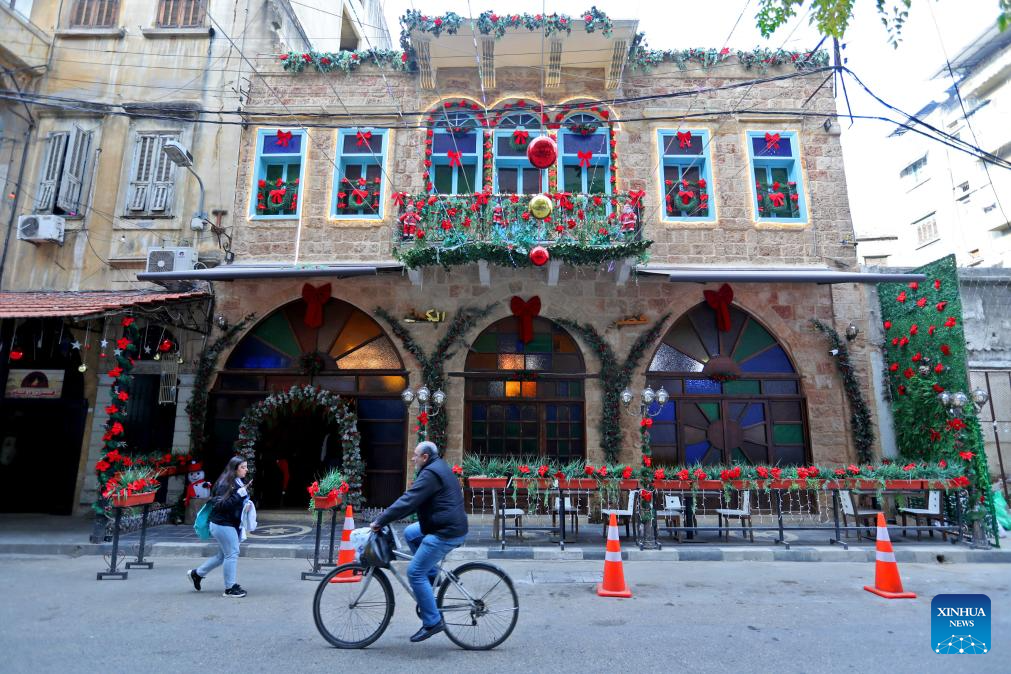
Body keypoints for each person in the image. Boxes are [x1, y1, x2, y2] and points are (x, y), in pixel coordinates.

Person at [370, 441, 467, 643]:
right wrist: (390, 517)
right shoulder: (436, 467)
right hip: (445, 524)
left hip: (445, 531)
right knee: (410, 533)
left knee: (414, 572)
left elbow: (409, 500)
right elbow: (413, 502)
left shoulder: (431, 474)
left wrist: (381, 520)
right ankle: (432, 577)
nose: (413, 458)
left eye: (415, 455)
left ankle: (432, 622)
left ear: (425, 457)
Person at [188, 456, 252, 598]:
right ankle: (230, 588)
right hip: (222, 524)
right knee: (232, 554)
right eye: (243, 467)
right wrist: (240, 495)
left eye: (246, 467)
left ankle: (197, 574)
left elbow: (234, 503)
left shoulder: (237, 481)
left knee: (222, 556)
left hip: (228, 523)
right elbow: (220, 505)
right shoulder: (225, 484)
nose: (246, 470)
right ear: (234, 469)